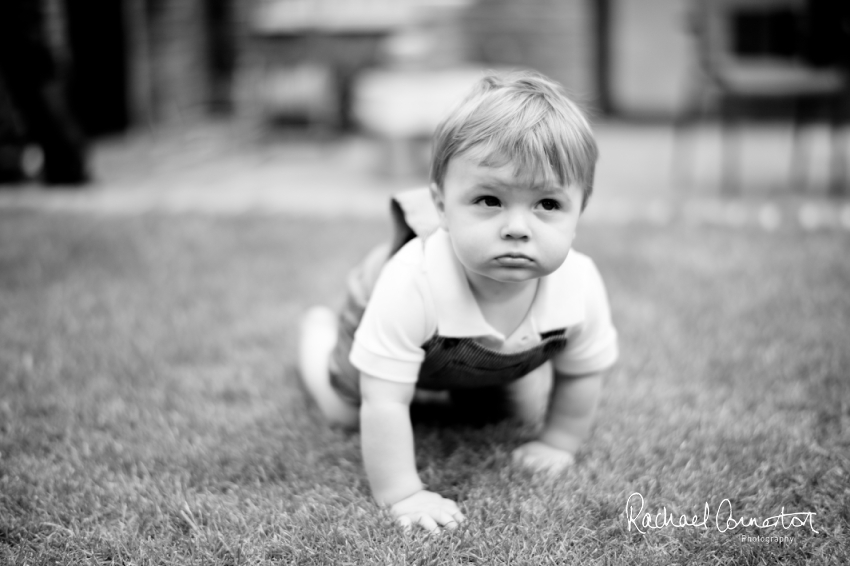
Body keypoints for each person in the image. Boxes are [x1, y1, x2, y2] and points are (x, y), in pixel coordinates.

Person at [298, 70, 619, 533]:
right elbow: (384, 400)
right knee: (346, 410)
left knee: (509, 415)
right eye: (489, 199)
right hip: (384, 320)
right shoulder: (413, 280)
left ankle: (475, 384)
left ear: (579, 212)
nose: (517, 227)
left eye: (547, 204)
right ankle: (315, 334)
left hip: (486, 353)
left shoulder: (580, 285)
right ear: (441, 206)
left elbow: (583, 372)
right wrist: (404, 494)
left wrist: (558, 443)